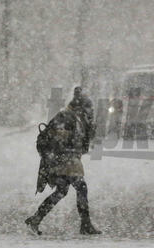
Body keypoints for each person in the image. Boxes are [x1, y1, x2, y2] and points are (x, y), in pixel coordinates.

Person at [25, 87, 101, 235]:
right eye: (88, 108)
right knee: (81, 187)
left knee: (62, 191)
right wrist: (63, 156)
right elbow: (59, 141)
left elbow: (82, 143)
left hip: (66, 160)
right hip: (64, 160)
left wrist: (89, 129)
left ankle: (35, 219)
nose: (89, 111)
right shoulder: (66, 116)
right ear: (80, 106)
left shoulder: (76, 117)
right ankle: (85, 224)